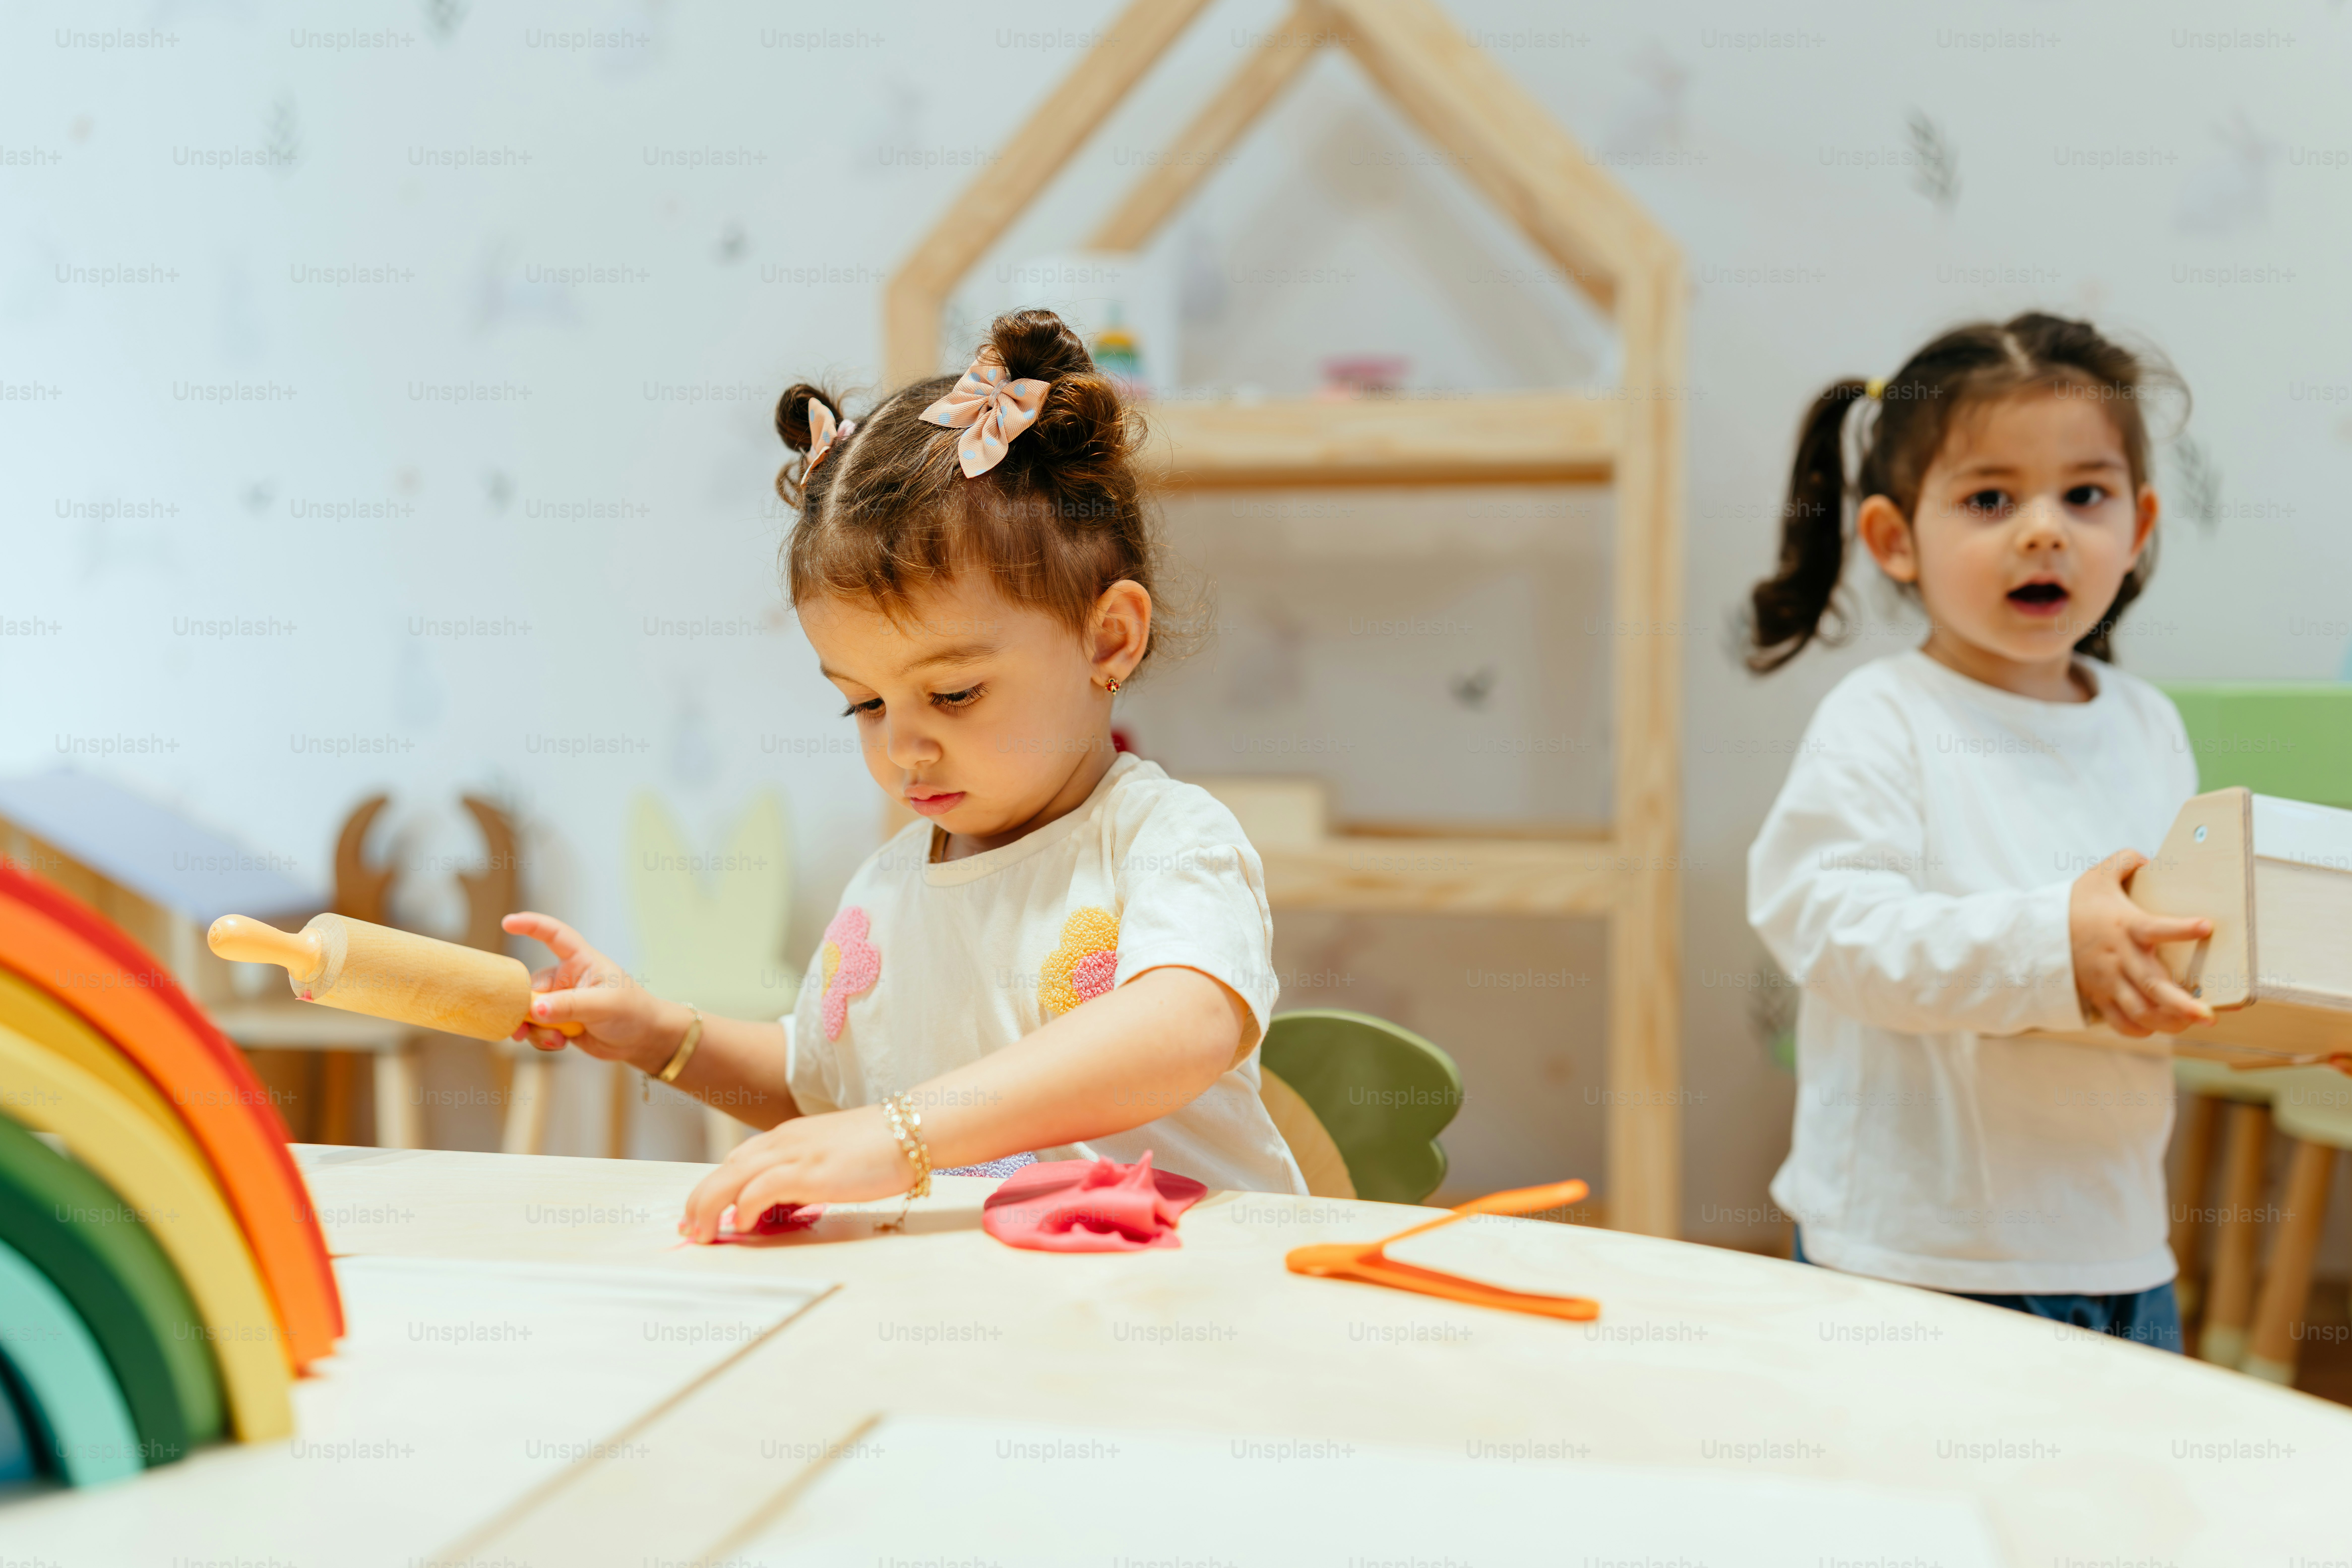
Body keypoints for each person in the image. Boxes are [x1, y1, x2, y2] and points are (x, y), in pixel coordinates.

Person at [506, 309, 1307, 1240]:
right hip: (992, 1302)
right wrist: (662, 1036)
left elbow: (1180, 1029)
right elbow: (818, 1086)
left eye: (956, 694)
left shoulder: (1163, 839)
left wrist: (902, 1137)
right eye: (866, 704)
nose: (903, 749)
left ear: (1108, 639)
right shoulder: (890, 888)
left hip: (1190, 1295)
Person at [1745, 313, 2206, 1349]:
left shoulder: (2147, 725)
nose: (2041, 529)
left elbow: (2173, 956)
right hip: (1918, 1257)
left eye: (2081, 495)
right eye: (1989, 497)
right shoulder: (1883, 717)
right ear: (1893, 539)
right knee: (1917, 1506)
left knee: (2115, 1503)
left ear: (2135, 527)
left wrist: (2297, 1022)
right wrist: (2054, 946)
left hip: (2119, 1246)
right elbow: (1826, 924)